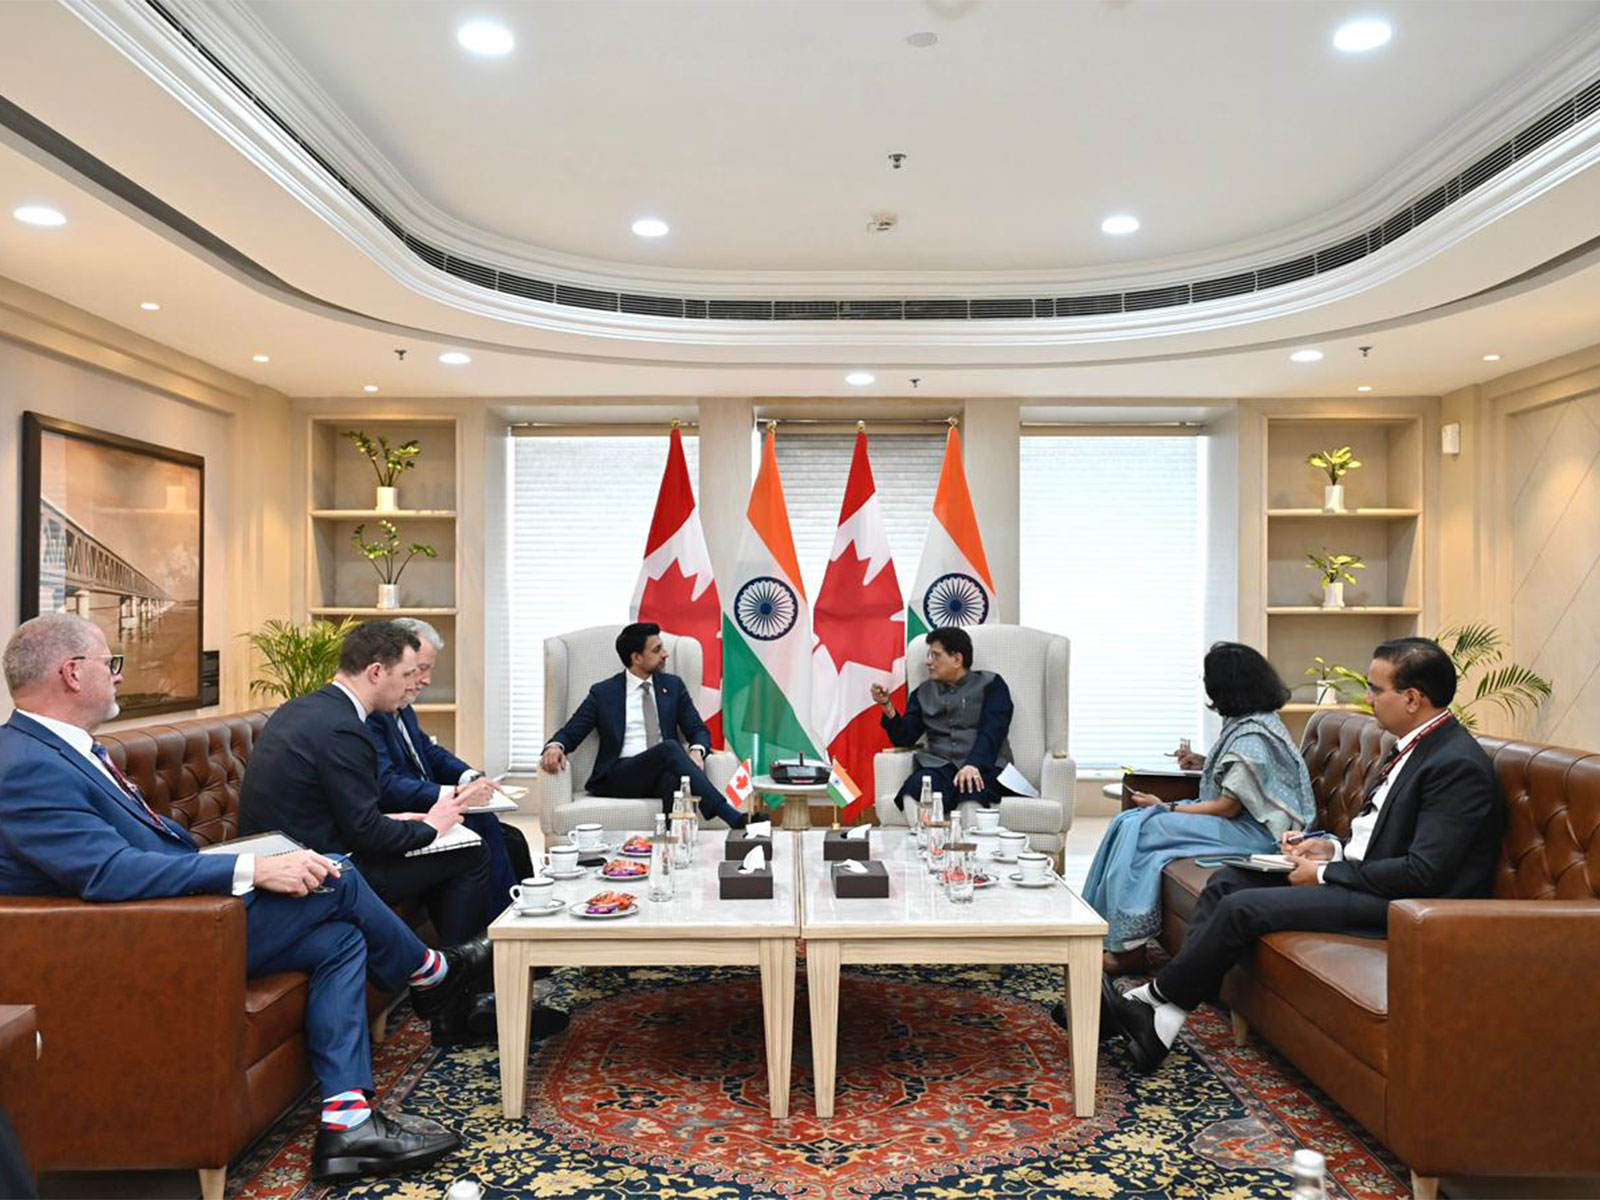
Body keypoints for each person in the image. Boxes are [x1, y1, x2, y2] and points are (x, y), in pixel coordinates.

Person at [0, 614, 478, 1183]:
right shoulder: (27, 766)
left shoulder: (59, 752)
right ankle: (432, 974)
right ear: (74, 673)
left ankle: (347, 1122)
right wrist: (251, 867)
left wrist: (244, 864)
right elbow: (107, 873)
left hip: (170, 918)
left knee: (340, 938)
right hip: (138, 944)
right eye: (112, 664)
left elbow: (135, 856)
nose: (119, 678)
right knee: (338, 875)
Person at [1099, 637, 1505, 1073]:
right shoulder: (1413, 745)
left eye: (1375, 689)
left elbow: (1424, 872)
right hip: (1365, 873)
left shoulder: (1455, 765)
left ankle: (1153, 1003)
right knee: (1227, 883)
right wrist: (1327, 847)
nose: (1366, 698)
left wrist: (1326, 873)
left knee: (1242, 907)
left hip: (1402, 905)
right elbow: (1381, 839)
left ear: (1412, 698)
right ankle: (1162, 1015)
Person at [238, 621, 567, 1044]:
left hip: (308, 853)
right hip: (324, 873)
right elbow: (367, 836)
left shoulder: (308, 709)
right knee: (470, 853)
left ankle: (476, 979)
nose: (416, 685)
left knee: (470, 842)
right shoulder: (345, 728)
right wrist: (431, 826)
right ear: (377, 672)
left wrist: (408, 823)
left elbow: (344, 813)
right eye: (409, 675)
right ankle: (455, 1008)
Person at [1078, 643, 1315, 980]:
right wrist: (1202, 763)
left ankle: (1129, 951)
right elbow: (1240, 783)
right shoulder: (1250, 721)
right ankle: (1102, 930)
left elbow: (1228, 807)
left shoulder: (1253, 736)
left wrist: (1166, 806)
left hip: (1258, 836)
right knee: (1128, 821)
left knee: (1145, 827)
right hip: (1240, 821)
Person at [367, 618, 532, 906]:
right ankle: (497, 930)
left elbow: (429, 752)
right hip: (402, 816)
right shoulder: (372, 713)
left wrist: (469, 777)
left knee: (513, 839)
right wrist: (455, 795)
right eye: (421, 669)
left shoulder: (402, 707)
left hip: (426, 803)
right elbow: (387, 785)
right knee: (484, 826)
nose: (426, 679)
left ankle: (525, 914)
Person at [540, 622, 747, 828]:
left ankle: (670, 847)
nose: (665, 654)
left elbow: (698, 729)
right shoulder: (603, 693)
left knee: (671, 779)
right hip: (619, 776)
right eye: (657, 650)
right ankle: (727, 813)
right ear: (636, 658)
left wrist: (696, 750)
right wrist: (555, 745)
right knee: (670, 748)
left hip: (660, 773)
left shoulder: (673, 687)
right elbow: (572, 731)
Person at [872, 625, 1014, 815]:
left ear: (957, 659)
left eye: (935, 655)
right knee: (916, 787)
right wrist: (888, 707)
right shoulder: (922, 693)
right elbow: (905, 738)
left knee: (971, 789)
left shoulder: (992, 685)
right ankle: (921, 842)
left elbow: (993, 731)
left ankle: (973, 844)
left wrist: (974, 764)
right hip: (941, 768)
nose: (928, 662)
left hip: (984, 765)